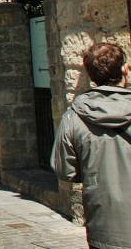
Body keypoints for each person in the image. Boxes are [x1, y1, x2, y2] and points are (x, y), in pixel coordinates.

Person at [52, 41, 131, 249]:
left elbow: (64, 170)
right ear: (124, 69)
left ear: (90, 75)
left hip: (103, 224)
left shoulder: (74, 117)